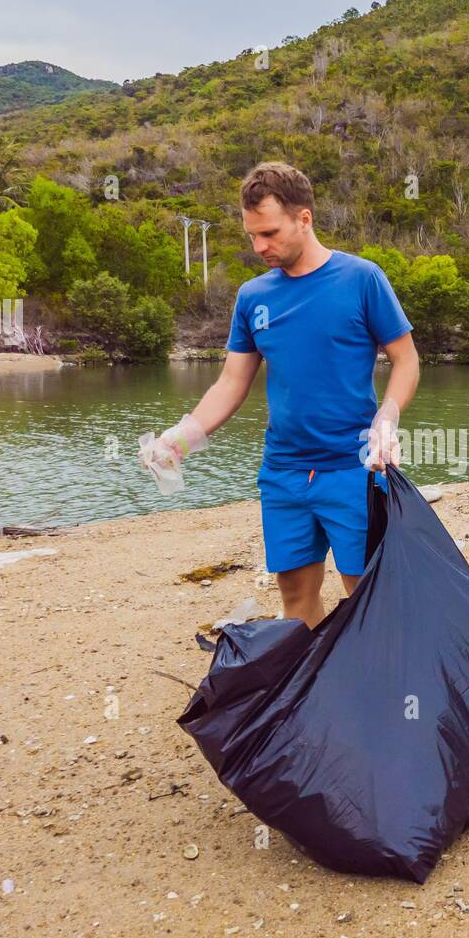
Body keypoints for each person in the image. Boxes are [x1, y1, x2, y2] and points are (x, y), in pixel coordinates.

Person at [143, 161, 420, 628]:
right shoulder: (253, 297)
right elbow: (232, 382)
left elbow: (407, 360)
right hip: (284, 473)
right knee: (295, 599)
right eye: (252, 235)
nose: (258, 247)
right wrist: (181, 438)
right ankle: (311, 686)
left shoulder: (361, 279)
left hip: (353, 468)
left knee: (367, 593)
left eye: (268, 233)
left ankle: (380, 689)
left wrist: (387, 419)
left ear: (304, 218)